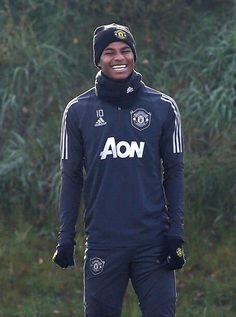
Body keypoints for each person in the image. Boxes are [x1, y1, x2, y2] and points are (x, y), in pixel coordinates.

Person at [52, 23, 186, 317]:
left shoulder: (163, 106)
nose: (119, 57)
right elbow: (71, 177)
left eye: (125, 50)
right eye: (109, 52)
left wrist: (176, 234)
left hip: (153, 243)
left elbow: (174, 172)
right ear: (99, 59)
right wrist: (65, 237)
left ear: (134, 55)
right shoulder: (78, 111)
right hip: (104, 243)